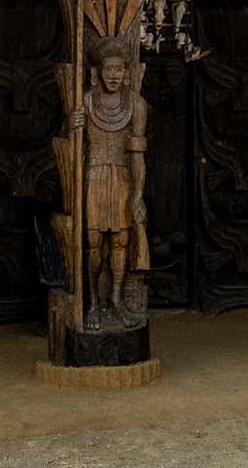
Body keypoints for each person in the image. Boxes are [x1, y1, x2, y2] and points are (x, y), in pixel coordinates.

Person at [70, 37, 147, 327]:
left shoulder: (136, 105)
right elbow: (73, 148)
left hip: (122, 177)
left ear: (127, 72)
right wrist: (72, 123)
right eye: (109, 69)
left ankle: (115, 300)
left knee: (120, 240)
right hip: (94, 175)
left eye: (119, 69)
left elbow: (138, 155)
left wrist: (138, 195)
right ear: (97, 73)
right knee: (92, 242)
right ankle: (93, 302)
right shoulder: (87, 102)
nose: (114, 75)